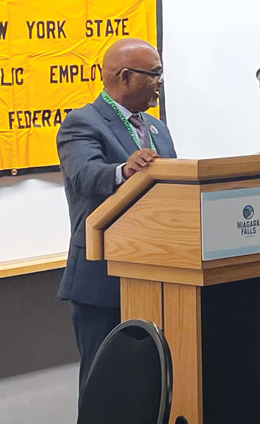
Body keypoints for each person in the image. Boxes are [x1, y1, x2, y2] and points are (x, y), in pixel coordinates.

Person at [56, 38, 176, 390]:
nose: (159, 82)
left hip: (157, 271)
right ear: (125, 77)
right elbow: (85, 176)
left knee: (149, 385)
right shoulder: (82, 123)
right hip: (103, 275)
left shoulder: (156, 128)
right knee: (104, 385)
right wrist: (123, 170)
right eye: (154, 74)